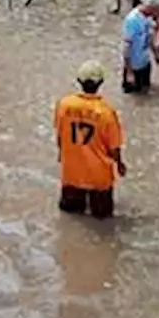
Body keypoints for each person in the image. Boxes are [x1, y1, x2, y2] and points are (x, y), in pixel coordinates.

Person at [55, 61, 127, 219]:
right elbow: (114, 147)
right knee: (103, 219)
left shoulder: (64, 105)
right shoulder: (107, 113)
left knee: (70, 217)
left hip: (71, 172)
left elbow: (60, 134)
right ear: (101, 83)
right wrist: (120, 164)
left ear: (79, 81)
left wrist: (61, 154)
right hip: (99, 176)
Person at [122, 0, 159, 94]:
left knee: (146, 91)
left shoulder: (147, 17)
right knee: (134, 97)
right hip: (134, 67)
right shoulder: (132, 20)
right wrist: (129, 72)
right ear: (153, 8)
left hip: (145, 62)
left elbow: (149, 37)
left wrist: (156, 54)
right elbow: (126, 48)